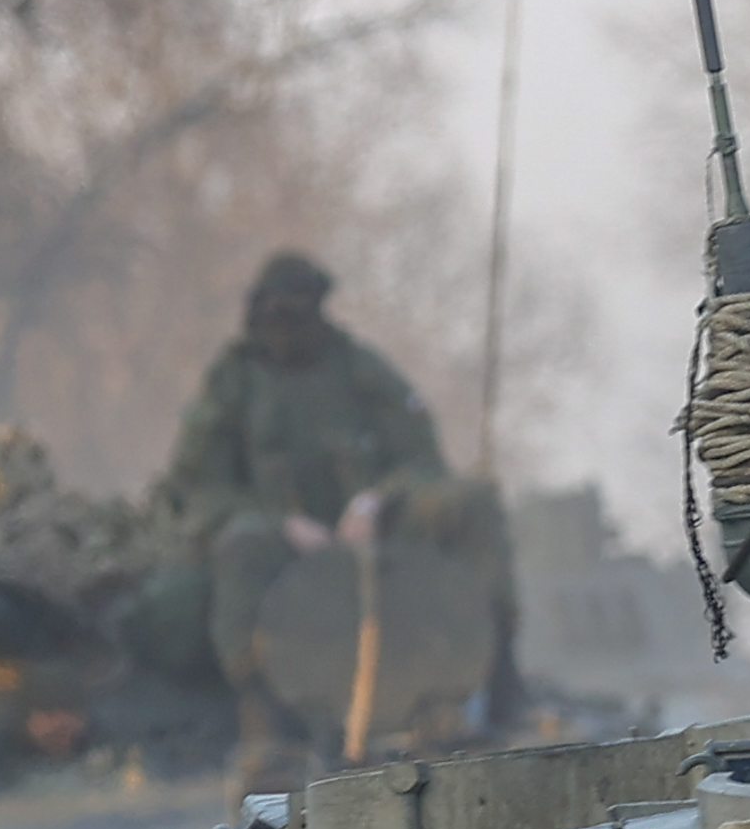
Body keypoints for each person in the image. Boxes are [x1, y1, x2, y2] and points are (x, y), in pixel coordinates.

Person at [134, 253, 492, 756]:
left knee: (470, 502)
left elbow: (422, 458)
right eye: (275, 309)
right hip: (277, 543)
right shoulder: (233, 382)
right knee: (242, 544)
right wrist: (282, 523)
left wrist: (377, 501)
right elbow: (200, 488)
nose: (286, 323)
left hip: (374, 534)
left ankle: (478, 686)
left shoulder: (358, 368)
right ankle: (266, 719)